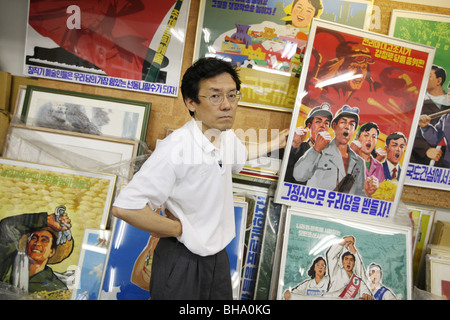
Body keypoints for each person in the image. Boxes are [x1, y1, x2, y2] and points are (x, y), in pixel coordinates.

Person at [112, 57, 288, 300]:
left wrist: (277, 142)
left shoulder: (223, 136)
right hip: (181, 260)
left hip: (216, 258)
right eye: (215, 96)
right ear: (191, 102)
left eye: (232, 95)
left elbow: (241, 154)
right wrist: (178, 228)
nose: (227, 105)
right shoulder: (178, 148)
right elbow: (125, 207)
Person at [292, 105, 375, 197]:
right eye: (343, 122)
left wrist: (367, 192)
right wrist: (316, 149)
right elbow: (299, 175)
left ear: (354, 130)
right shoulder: (319, 150)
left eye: (352, 124)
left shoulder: (359, 162)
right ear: (334, 126)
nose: (347, 127)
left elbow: (360, 195)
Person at [0, 206, 73, 294]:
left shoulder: (56, 289)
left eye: (44, 240)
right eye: (34, 238)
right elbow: (7, 226)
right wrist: (45, 220)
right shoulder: (7, 268)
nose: (37, 243)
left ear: (51, 252)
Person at [411, 65, 449, 167]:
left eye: (429, 76)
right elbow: (405, 131)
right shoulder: (413, 103)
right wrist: (426, 149)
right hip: (422, 161)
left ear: (438, 81)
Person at [285, 102, 332, 183]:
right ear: (309, 126)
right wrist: (294, 145)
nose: (322, 125)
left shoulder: (332, 152)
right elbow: (289, 173)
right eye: (318, 121)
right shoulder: (298, 147)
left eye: (326, 123)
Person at [350, 122, 384, 195]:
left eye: (374, 137)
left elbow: (381, 193)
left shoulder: (379, 166)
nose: (370, 139)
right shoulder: (349, 158)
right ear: (358, 137)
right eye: (366, 135)